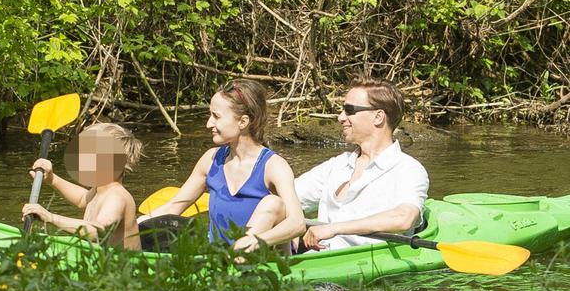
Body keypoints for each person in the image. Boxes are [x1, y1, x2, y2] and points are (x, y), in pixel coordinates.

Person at [138, 79, 305, 251]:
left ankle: (240, 255)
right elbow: (174, 206)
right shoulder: (210, 160)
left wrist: (254, 241)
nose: (208, 124)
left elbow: (297, 223)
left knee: (273, 203)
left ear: (243, 122)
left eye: (216, 116)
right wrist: (130, 227)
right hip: (220, 259)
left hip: (266, 257)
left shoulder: (274, 166)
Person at [295, 76, 429, 251]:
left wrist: (335, 228)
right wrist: (289, 227)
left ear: (378, 117)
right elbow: (287, 196)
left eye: (349, 110)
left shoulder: (409, 169)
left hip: (369, 266)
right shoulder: (336, 165)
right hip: (319, 260)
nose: (340, 117)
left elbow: (404, 218)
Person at [22, 122, 143, 250]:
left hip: (127, 267)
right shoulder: (100, 189)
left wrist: (50, 217)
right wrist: (52, 179)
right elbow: (82, 199)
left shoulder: (116, 197)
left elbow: (99, 232)